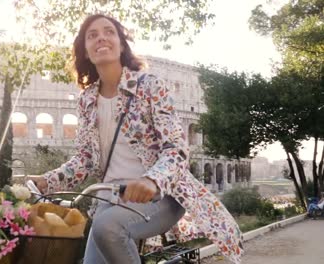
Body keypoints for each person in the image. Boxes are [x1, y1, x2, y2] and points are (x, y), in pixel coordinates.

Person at [36, 14, 243, 264]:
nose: (100, 37)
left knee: (107, 228)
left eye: (108, 32)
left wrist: (151, 180)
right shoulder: (87, 100)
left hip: (161, 196)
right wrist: (46, 181)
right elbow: (86, 159)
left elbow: (176, 149)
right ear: (85, 51)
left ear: (121, 45)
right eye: (91, 35)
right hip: (109, 199)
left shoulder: (150, 86)